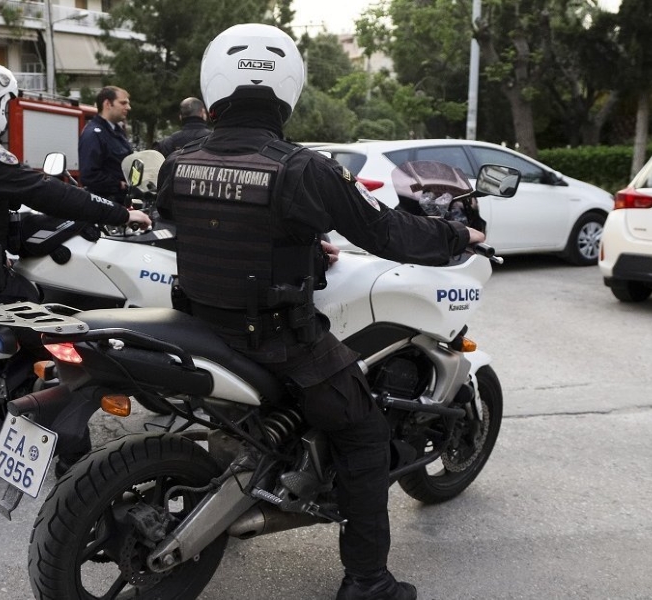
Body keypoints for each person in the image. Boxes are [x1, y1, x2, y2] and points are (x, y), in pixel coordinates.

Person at [155, 24, 486, 600]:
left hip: (199, 326)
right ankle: (368, 581)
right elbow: (386, 232)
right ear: (289, 86)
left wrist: (306, 247)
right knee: (365, 433)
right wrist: (458, 235)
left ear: (213, 85)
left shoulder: (178, 161)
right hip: (275, 340)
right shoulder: (302, 167)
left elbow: (211, 229)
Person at [0, 61, 151, 318]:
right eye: (1, 104)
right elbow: (49, 193)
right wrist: (121, 214)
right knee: (55, 329)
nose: (3, 110)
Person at [77, 86, 133, 206]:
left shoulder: (117, 131)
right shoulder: (94, 134)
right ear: (107, 104)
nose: (128, 107)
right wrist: (118, 184)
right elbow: (89, 175)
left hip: (121, 203)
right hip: (105, 205)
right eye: (123, 103)